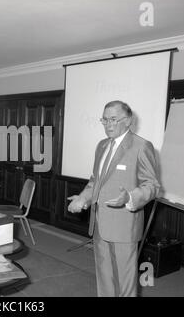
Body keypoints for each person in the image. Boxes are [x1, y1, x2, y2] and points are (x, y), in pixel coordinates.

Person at [67, 101, 160, 297]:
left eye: (113, 119)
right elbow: (95, 181)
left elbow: (152, 186)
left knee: (125, 283)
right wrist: (84, 199)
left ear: (128, 121)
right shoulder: (101, 145)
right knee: (104, 277)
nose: (108, 124)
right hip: (100, 223)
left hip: (124, 226)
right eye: (104, 119)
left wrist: (130, 197)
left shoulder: (141, 146)